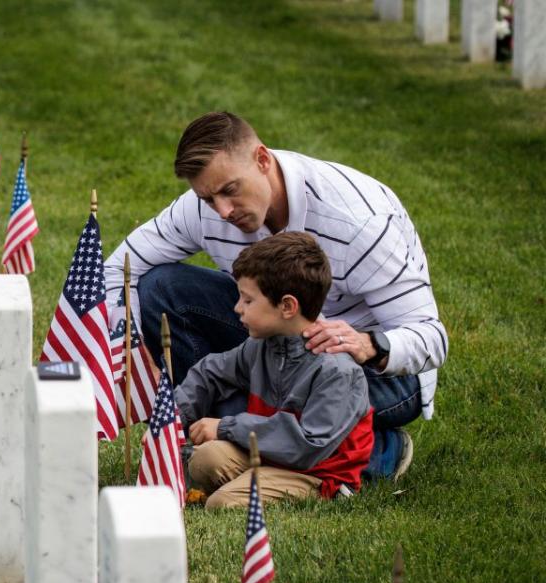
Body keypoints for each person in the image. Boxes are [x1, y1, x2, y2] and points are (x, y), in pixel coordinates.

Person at [103, 112, 448, 480]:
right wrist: (131, 345)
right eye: (208, 198)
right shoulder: (205, 210)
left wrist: (367, 344)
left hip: (374, 376)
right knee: (161, 288)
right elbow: (115, 270)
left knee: (285, 401)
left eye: (230, 190)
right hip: (274, 352)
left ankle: (371, 452)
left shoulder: (358, 222)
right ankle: (224, 433)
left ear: (263, 160)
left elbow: (433, 339)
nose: (222, 211)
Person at [175, 232, 373, 509]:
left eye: (247, 300)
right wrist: (172, 418)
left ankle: (326, 492)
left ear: (287, 306)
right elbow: (211, 372)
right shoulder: (261, 346)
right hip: (269, 455)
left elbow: (308, 445)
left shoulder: (337, 369)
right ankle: (251, 480)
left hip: (314, 472)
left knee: (222, 503)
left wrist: (225, 427)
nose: (237, 308)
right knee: (203, 461)